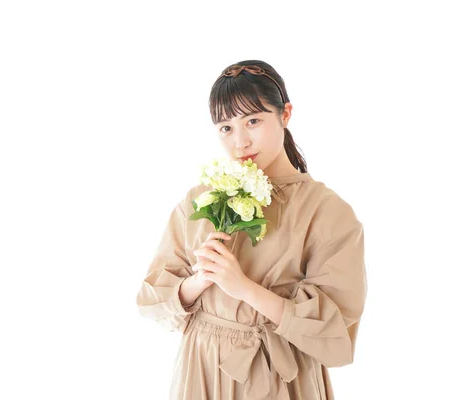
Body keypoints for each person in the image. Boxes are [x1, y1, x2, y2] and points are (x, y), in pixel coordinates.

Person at [135, 60, 367, 400]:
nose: (239, 142)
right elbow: (151, 301)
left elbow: (335, 333)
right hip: (201, 370)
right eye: (226, 128)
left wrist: (243, 287)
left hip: (278, 376)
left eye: (253, 121)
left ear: (285, 114)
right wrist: (200, 279)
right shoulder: (201, 199)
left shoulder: (327, 211)